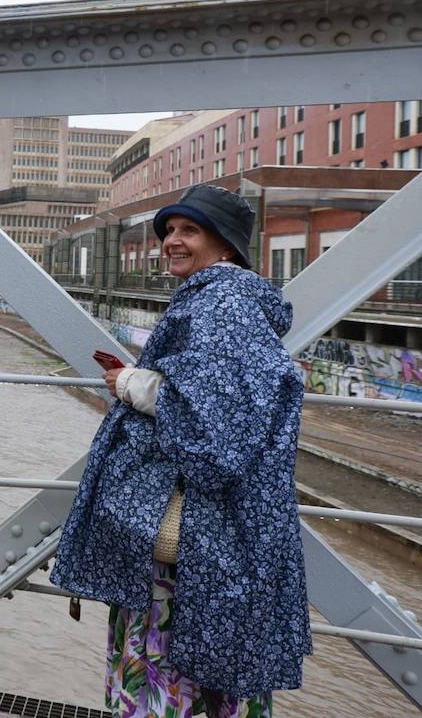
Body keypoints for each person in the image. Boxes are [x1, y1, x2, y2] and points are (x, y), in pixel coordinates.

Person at [51, 184, 310, 718]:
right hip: (213, 545)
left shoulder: (221, 306)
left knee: (169, 680)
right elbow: (221, 398)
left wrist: (132, 386)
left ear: (227, 246)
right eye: (168, 230)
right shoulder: (221, 299)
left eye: (189, 230)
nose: (172, 240)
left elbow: (212, 430)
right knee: (216, 672)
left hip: (194, 549)